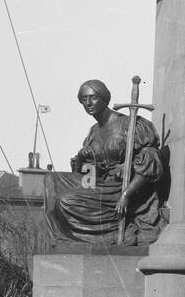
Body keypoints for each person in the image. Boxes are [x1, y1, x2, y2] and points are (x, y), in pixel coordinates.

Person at [43, 80, 168, 245]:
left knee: (65, 200)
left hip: (123, 187)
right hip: (100, 183)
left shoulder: (131, 125)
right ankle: (60, 235)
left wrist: (126, 194)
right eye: (84, 99)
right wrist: (81, 158)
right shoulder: (93, 132)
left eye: (93, 97)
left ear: (105, 98)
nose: (88, 103)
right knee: (51, 180)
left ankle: (111, 234)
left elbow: (151, 161)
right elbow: (86, 176)